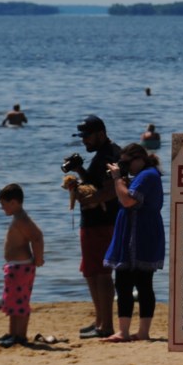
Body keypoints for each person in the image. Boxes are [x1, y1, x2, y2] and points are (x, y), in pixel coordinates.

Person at [102, 143, 165, 342]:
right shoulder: (145, 175)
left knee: (141, 283)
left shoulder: (147, 175)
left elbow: (128, 200)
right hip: (135, 232)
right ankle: (127, 331)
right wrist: (121, 178)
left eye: (128, 163)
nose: (126, 167)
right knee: (124, 282)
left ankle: (139, 332)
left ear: (139, 158)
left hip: (141, 234)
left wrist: (117, 177)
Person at [71, 114, 120, 339]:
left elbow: (112, 188)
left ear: (100, 133)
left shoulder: (111, 154)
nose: (84, 141)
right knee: (91, 272)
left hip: (103, 223)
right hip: (93, 224)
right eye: (82, 137)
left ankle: (106, 326)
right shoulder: (101, 155)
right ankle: (100, 320)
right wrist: (79, 170)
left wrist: (90, 199)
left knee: (101, 273)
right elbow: (95, 182)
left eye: (87, 137)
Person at [0, 184, 44, 348]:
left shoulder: (22, 219)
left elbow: (37, 237)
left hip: (21, 267)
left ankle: (20, 336)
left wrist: (38, 259)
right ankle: (12, 333)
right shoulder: (17, 218)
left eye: (4, 204)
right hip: (14, 267)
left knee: (20, 303)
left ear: (14, 202)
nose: (2, 208)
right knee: (12, 302)